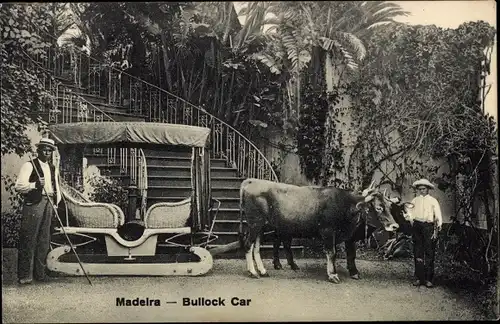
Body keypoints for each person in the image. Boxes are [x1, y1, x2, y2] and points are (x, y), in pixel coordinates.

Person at [15, 138, 62, 284]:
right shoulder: (29, 165)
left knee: (44, 239)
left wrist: (56, 202)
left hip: (49, 202)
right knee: (29, 238)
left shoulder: (52, 167)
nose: (47, 152)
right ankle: (24, 275)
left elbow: (56, 187)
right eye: (44, 149)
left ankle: (39, 274)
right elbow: (19, 186)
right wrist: (35, 184)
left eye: (50, 150)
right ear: (38, 150)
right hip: (34, 203)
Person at [405, 178, 443, 288]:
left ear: (428, 189)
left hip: (428, 226)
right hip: (417, 226)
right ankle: (418, 277)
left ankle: (428, 279)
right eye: (420, 189)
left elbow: (438, 214)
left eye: (424, 189)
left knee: (429, 251)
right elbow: (409, 212)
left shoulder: (433, 201)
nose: (422, 191)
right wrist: (411, 219)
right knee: (418, 251)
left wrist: (438, 226)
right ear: (417, 190)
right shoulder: (415, 200)